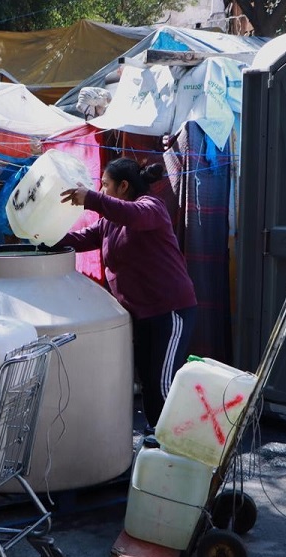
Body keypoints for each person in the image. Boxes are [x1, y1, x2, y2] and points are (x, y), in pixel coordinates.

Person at [56, 158, 197, 432]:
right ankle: (160, 442)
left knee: (163, 383)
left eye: (106, 185)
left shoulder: (151, 207)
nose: (102, 190)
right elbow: (82, 238)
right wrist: (41, 235)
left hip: (169, 311)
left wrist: (92, 199)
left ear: (123, 186)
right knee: (147, 381)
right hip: (142, 314)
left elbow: (133, 215)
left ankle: (183, 444)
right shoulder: (110, 223)